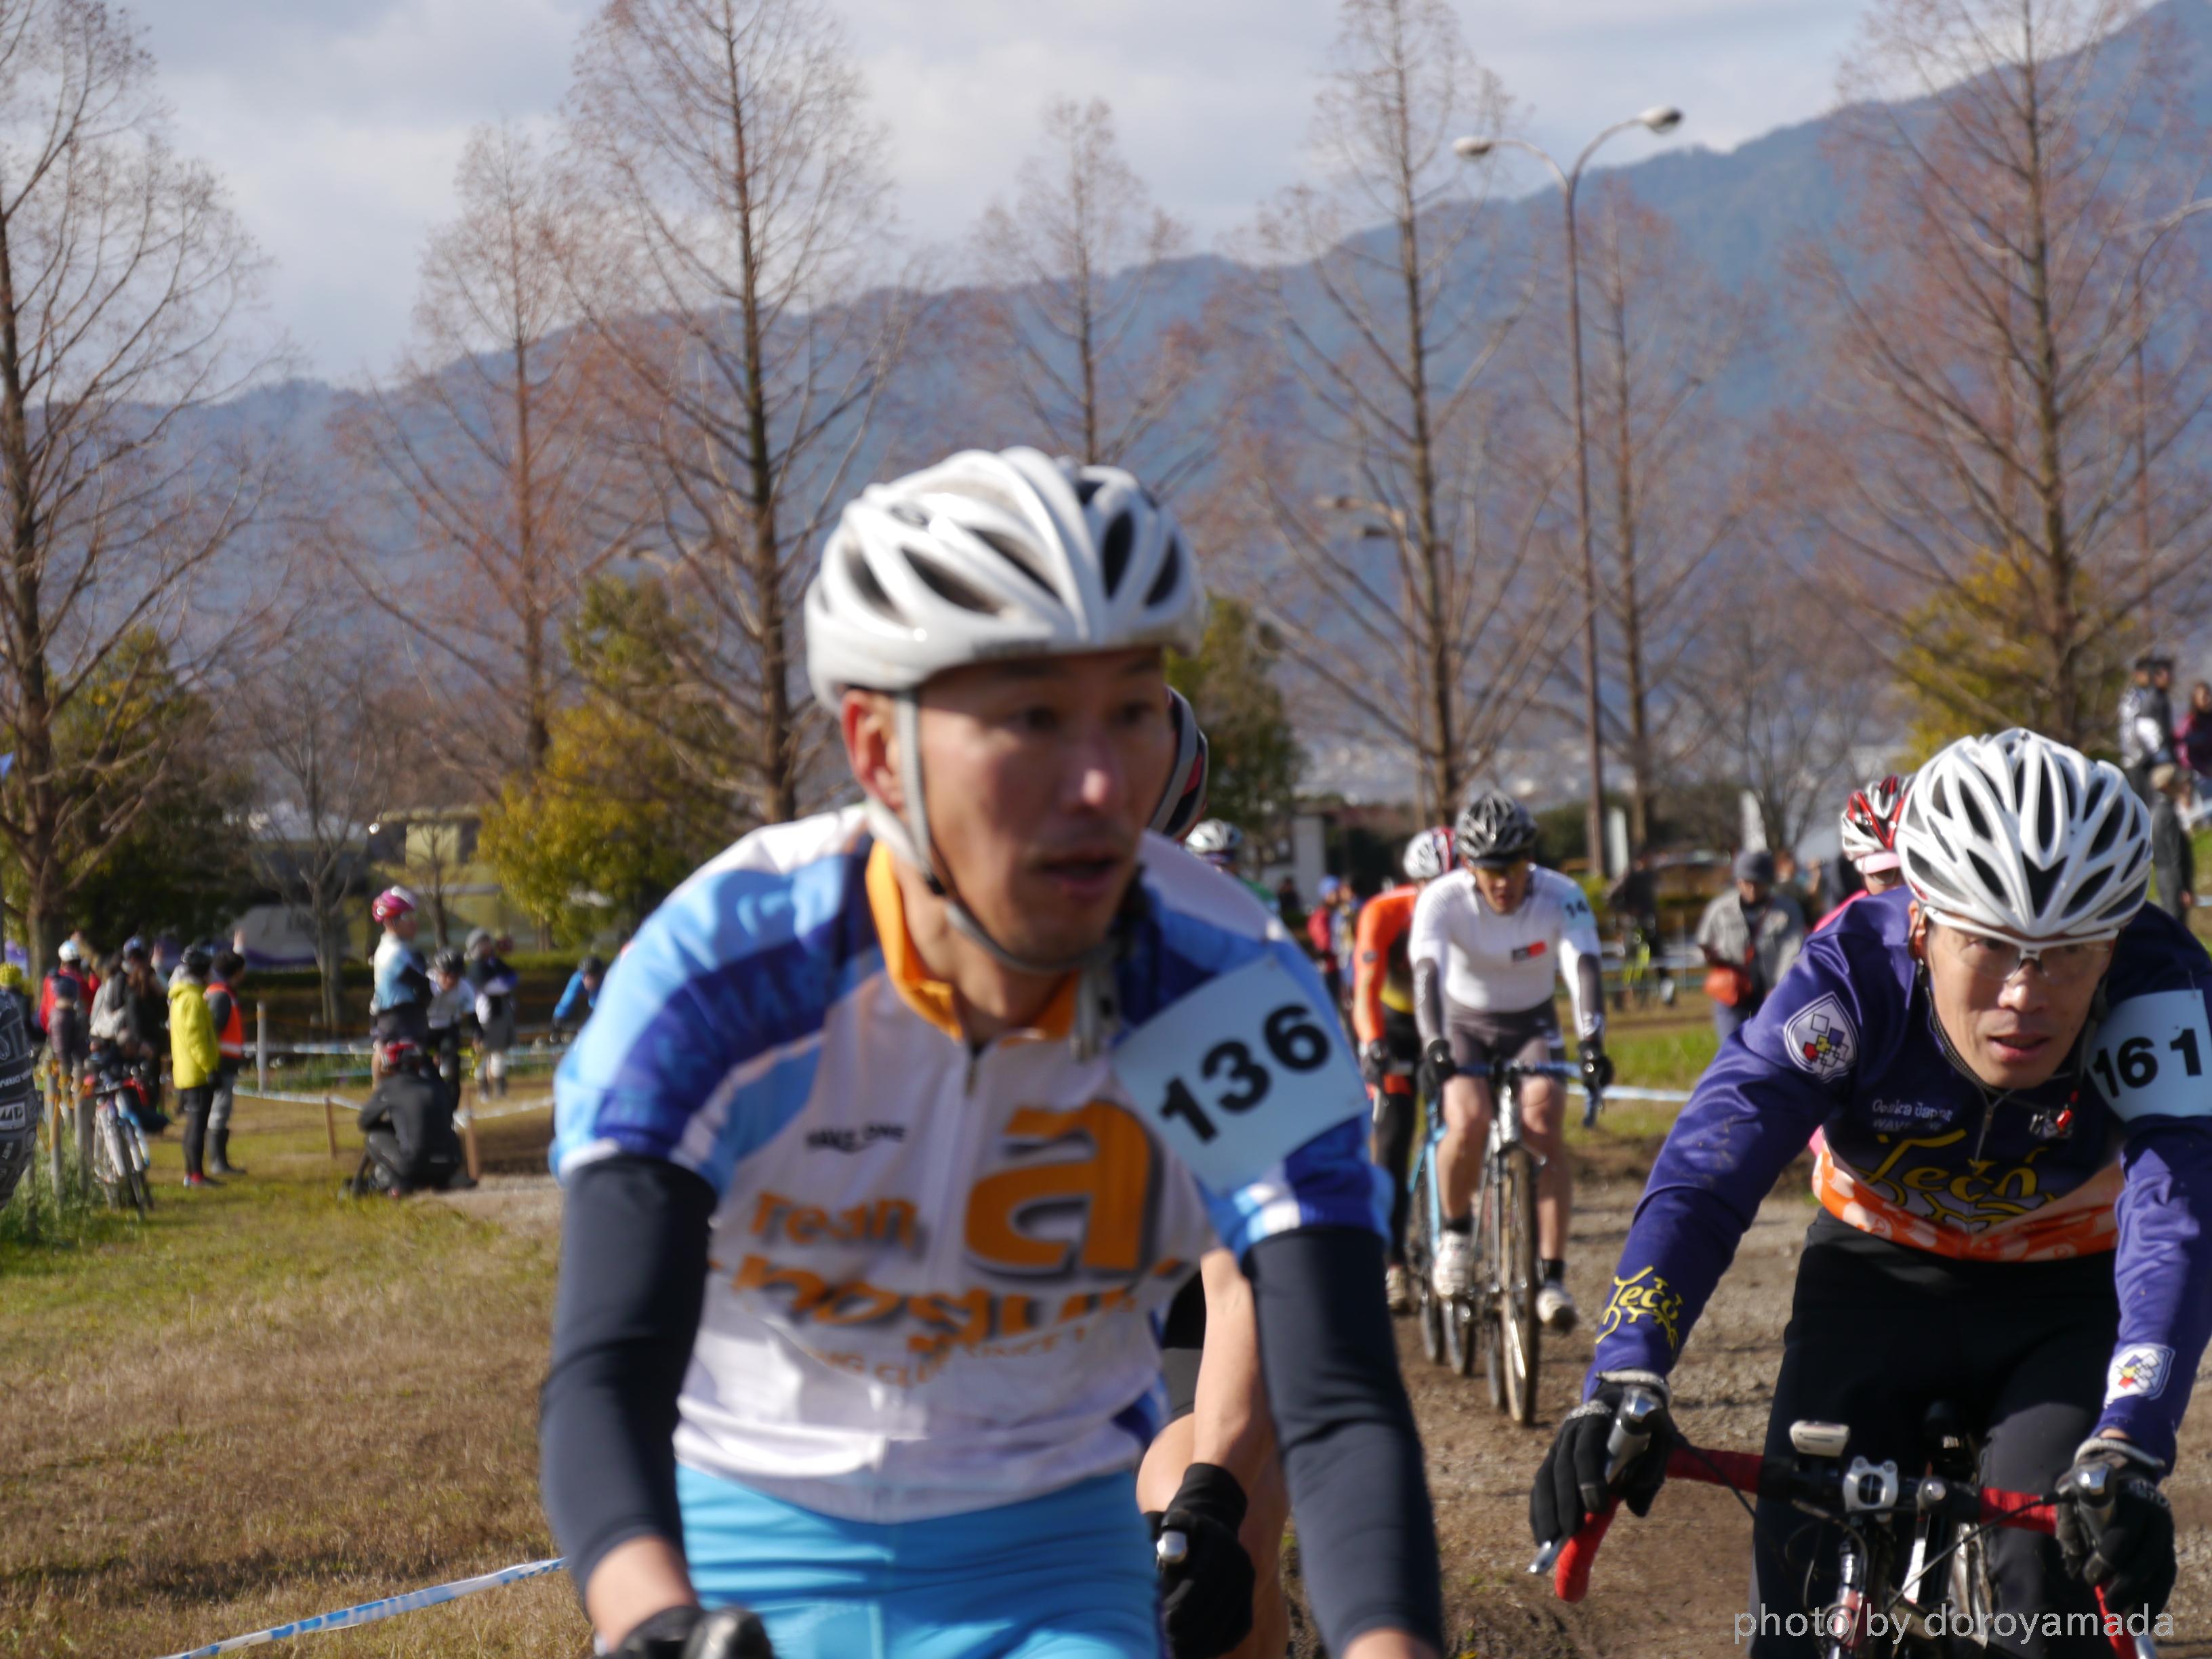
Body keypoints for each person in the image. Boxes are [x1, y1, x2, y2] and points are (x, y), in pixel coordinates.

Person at [540, 445, 1443, 1659]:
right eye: (1031, 718)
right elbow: (606, 1365)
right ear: (877, 751)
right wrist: (651, 1618)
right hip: (745, 1545)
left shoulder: (1226, 988)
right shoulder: (727, 969)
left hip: (1048, 1558)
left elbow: (1335, 1399)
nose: (1099, 782)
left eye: (1132, 709)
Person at [1530, 728, 2210, 1657]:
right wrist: (1624, 1372)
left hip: (2065, 1295)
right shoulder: (1854, 975)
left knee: (2049, 1588)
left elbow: (2180, 1208)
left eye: (2066, 954)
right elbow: (1711, 1165)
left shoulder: (2160, 986)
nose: (2025, 994)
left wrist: (2132, 1439)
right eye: (1989, 943)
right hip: (1877, 1273)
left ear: (2115, 944)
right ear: (1922, 924)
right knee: (1797, 1605)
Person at [1410, 792, 1610, 1328]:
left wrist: (1593, 1044)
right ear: (1469, 866)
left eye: (1514, 867)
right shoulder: (1442, 898)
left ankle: (1552, 1277)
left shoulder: (1561, 894)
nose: (1503, 882)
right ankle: (1456, 1236)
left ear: (1531, 861)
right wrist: (1433, 1045)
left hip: (1531, 1024)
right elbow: (1427, 973)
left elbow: (1584, 966)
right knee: (1468, 1119)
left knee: (1544, 1126)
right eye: (1490, 869)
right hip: (1463, 1023)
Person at [1357, 827, 1453, 1313]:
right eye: (1433, 888)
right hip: (1395, 1026)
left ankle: (1460, 1239)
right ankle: (1392, 1261)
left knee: (1465, 1127)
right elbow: (1365, 988)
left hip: (1453, 1024)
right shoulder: (1384, 913)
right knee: (1393, 1141)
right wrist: (1373, 1044)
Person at [1696, 850, 1805, 1040]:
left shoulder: (1787, 910)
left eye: (1758, 882)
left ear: (1769, 882)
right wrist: (1709, 957)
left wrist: (1779, 987)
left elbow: (1793, 950)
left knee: (1767, 1046)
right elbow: (1701, 945)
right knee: (1731, 1046)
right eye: (1747, 882)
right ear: (1737, 881)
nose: (1752, 888)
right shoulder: (1720, 909)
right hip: (1731, 994)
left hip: (1770, 995)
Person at [352, 1040, 472, 1195]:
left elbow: (364, 1122)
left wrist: (389, 1126)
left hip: (415, 1166)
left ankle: (396, 1183)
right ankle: (445, 1180)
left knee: (373, 1137)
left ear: (389, 1065)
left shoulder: (390, 1087)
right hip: (451, 1163)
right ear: (418, 1063)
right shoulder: (437, 1086)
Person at [1814, 774, 1911, 932]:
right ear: (1861, 875)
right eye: (1884, 873)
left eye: (1913, 869)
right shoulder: (1838, 931)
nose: (1900, 887)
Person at [169, 945, 220, 1189]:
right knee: (197, 1126)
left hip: (187, 1070)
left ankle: (192, 1174)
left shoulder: (183, 997)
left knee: (194, 1125)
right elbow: (197, 1039)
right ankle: (196, 1175)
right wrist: (210, 1067)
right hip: (197, 1072)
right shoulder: (193, 999)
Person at [203, 949, 248, 1176]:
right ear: (236, 972)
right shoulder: (221, 996)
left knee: (221, 1110)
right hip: (222, 1063)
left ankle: (220, 1161)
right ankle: (218, 1163)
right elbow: (213, 1030)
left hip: (225, 1062)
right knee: (219, 1111)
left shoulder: (221, 993)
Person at [369, 886, 431, 1048]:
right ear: (390, 921)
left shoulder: (406, 949)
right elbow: (420, 984)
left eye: (414, 915)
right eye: (407, 916)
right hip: (398, 1021)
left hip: (413, 1018)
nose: (414, 922)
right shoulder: (390, 952)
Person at [466, 928, 522, 1100]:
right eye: (484, 943)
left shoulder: (494, 963)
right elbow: (496, 987)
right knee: (483, 1052)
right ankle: (483, 1090)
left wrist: (506, 982)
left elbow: (513, 977)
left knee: (499, 1052)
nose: (489, 945)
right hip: (486, 1014)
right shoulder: (476, 967)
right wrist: (506, 983)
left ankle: (500, 1089)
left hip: (501, 1011)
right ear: (477, 946)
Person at [1186, 819, 1281, 917]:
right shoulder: (1183, 894)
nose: (1220, 869)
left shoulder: (1260, 894)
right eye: (1212, 860)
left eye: (1229, 859)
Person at [2119, 653, 2176, 801]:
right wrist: (2138, 754)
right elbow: (2130, 730)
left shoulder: (2154, 695)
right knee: (2145, 800)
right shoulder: (2134, 698)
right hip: (2140, 758)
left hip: (2151, 756)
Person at [2150, 763, 2195, 925]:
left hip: (2164, 877)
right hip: (2173, 880)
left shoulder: (2157, 810)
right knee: (2177, 925)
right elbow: (2175, 852)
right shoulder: (2167, 813)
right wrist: (2184, 887)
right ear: (2167, 786)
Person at [428, 949, 475, 1092]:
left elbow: (471, 1013)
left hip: (448, 1026)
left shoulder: (465, 987)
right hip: (424, 1028)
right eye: (446, 975)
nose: (450, 980)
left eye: (455, 976)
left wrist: (477, 1034)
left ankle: (451, 1102)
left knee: (452, 1067)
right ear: (436, 972)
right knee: (425, 1069)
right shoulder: (427, 983)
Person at [2177, 679, 2212, 825]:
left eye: (2209, 695)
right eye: (2204, 696)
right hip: (2203, 775)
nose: (2208, 699)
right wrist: (2205, 768)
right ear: (2195, 699)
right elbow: (2185, 755)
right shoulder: (2191, 724)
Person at [552, 955, 606, 1038]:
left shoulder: (605, 982)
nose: (588, 980)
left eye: (592, 976)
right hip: (583, 988)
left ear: (599, 976)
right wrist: (558, 1019)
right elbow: (566, 1001)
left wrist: (585, 1026)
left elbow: (594, 1007)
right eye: (586, 976)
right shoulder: (577, 980)